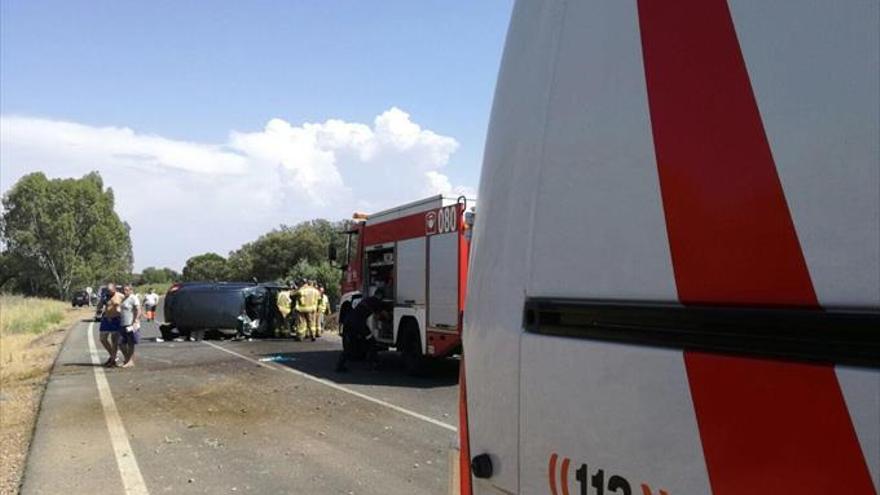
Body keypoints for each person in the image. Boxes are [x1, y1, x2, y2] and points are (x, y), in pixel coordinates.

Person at [335, 290, 387, 372]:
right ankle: (373, 363)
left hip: (350, 321)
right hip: (358, 324)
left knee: (351, 345)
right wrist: (388, 318)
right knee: (371, 341)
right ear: (380, 296)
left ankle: (340, 365)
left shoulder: (368, 299)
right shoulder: (377, 302)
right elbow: (379, 315)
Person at [99, 283, 124, 367]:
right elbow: (99, 306)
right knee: (102, 339)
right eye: (108, 290)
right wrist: (101, 301)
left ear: (114, 289)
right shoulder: (105, 296)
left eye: (110, 291)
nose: (109, 292)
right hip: (106, 319)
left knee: (114, 341)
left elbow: (127, 305)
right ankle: (113, 356)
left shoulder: (120, 296)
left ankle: (113, 359)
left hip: (116, 319)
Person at [118, 284, 141, 368]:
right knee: (120, 343)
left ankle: (130, 361)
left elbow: (138, 310)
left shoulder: (133, 298)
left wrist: (135, 320)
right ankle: (127, 359)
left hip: (130, 324)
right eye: (124, 290)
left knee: (130, 343)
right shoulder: (124, 298)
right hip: (123, 323)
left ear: (131, 290)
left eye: (127, 290)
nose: (125, 291)